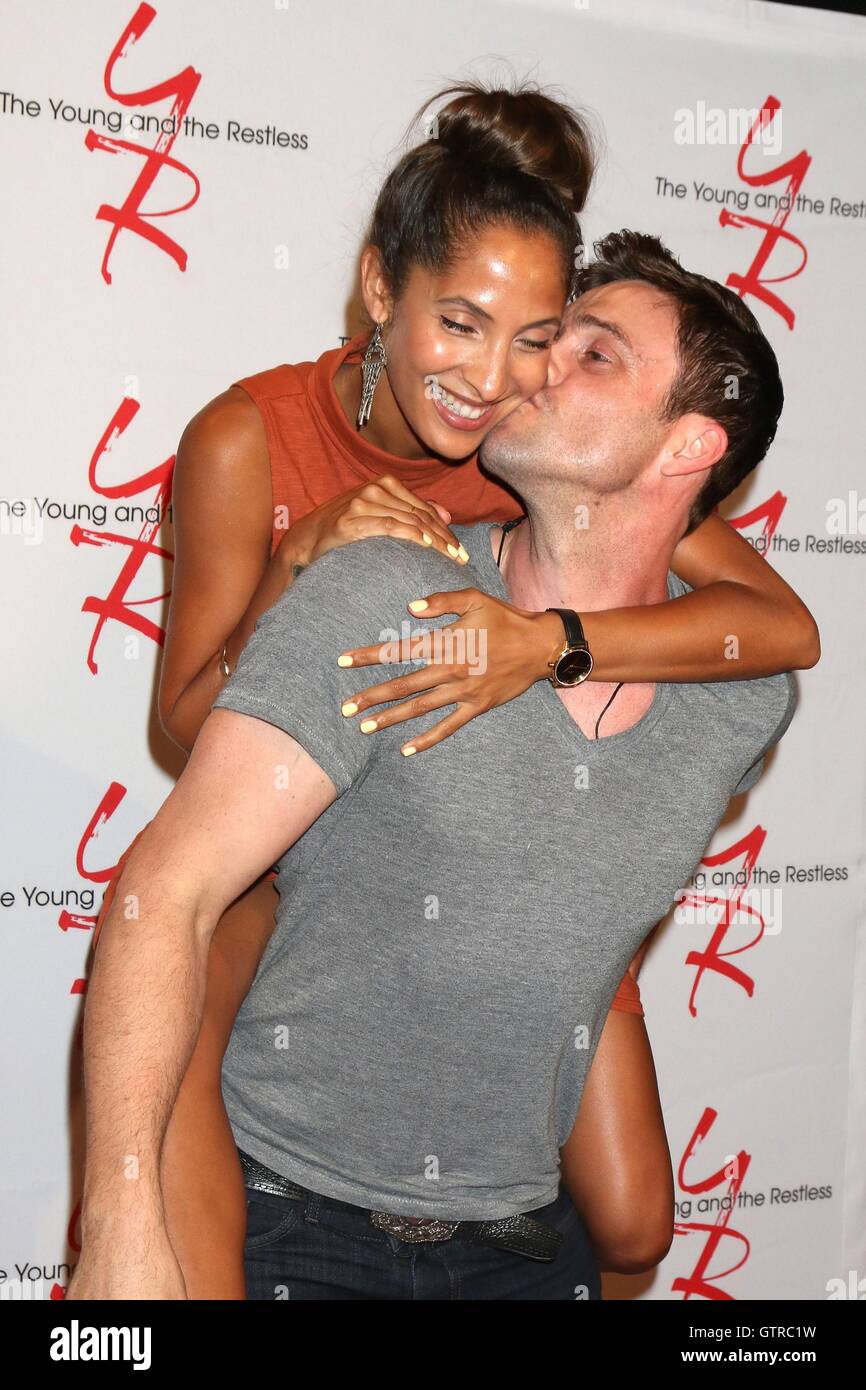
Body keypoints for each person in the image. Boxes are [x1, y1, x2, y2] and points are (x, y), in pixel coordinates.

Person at [86, 83, 818, 1298]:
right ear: (383, 293)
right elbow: (184, 733)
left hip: (521, 887)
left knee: (634, 1224)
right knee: (193, 1159)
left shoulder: (518, 440)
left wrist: (553, 645)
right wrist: (294, 559)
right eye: (464, 326)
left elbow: (775, 629)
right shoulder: (257, 441)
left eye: (541, 339)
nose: (502, 379)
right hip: (295, 838)